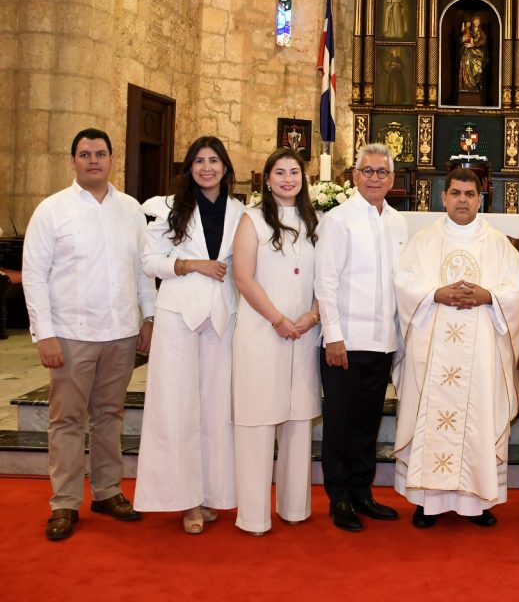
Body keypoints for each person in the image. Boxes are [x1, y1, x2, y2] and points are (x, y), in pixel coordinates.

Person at [23, 128, 155, 541]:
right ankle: (64, 502)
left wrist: (148, 318)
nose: (93, 160)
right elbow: (33, 275)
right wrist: (44, 333)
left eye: (100, 153)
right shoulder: (52, 210)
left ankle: (107, 491)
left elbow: (142, 271)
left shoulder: (131, 210)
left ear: (112, 159)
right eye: (84, 154)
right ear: (73, 161)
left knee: (109, 416)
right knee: (66, 420)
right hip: (70, 333)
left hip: (119, 332)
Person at [393, 168, 519, 528]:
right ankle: (427, 501)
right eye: (456, 193)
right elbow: (403, 282)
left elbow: (518, 287)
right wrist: (434, 293)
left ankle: (476, 502)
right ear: (444, 197)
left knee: (478, 416)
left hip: (481, 348)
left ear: (481, 198)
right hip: (432, 347)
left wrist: (489, 296)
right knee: (430, 417)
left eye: (469, 194)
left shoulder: (497, 243)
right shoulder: (424, 240)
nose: (462, 200)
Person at [134, 136, 245, 534]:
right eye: (199, 160)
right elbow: (149, 262)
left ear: (226, 168)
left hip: (223, 316)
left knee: (216, 409)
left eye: (214, 160)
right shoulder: (165, 207)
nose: (207, 167)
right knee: (178, 406)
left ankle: (211, 494)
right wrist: (190, 264)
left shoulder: (240, 211)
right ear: (189, 167)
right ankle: (185, 501)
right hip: (178, 314)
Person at [314, 142, 408, 532]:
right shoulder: (337, 220)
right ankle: (338, 498)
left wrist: (402, 337)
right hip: (346, 342)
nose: (374, 178)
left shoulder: (399, 222)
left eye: (381, 172)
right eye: (367, 171)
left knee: (368, 422)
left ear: (391, 178)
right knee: (340, 422)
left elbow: (402, 282)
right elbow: (326, 281)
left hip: (383, 341)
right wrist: (333, 336)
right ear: (354, 177)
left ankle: (362, 491)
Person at [232, 148, 322, 535]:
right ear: (267, 179)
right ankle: (253, 514)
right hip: (262, 332)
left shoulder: (314, 220)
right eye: (280, 172)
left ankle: (295, 508)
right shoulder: (251, 219)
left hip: (304, 332)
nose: (288, 178)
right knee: (257, 421)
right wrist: (278, 320)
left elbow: (327, 276)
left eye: (294, 172)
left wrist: (313, 314)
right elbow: (243, 277)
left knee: (299, 420)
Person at [459, 15, 488, 92]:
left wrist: (474, 44)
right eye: (475, 21)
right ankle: (467, 86)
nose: (476, 22)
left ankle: (476, 86)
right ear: (472, 22)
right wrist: (463, 40)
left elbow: (483, 41)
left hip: (477, 54)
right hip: (468, 53)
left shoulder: (481, 32)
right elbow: (462, 38)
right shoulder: (469, 30)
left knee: (478, 71)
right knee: (467, 68)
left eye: (478, 21)